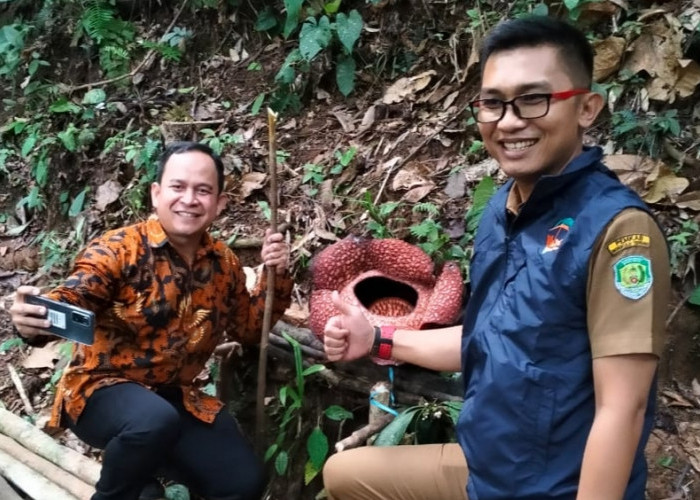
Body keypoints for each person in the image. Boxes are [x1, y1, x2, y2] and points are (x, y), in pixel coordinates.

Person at [321, 16, 670, 500]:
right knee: (344, 477)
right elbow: (489, 336)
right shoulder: (502, 209)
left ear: (587, 108)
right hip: (488, 467)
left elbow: (623, 408)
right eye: (493, 103)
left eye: (533, 99)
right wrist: (377, 338)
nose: (508, 121)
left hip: (556, 486)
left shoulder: (618, 232)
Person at [10, 141, 293, 500]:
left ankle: (147, 480)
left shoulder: (223, 264)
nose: (189, 199)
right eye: (178, 187)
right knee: (151, 422)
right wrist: (35, 318)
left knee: (240, 482)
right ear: (156, 194)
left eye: (203, 190)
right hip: (100, 391)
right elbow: (75, 295)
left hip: (176, 399)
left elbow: (250, 329)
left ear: (219, 203)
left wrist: (276, 275)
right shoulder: (117, 250)